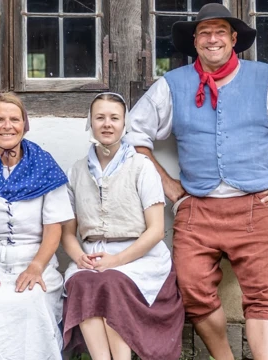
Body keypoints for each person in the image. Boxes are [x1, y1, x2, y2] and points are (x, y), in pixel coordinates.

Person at [124, 4, 268, 360]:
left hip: (260, 208)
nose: (212, 39)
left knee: (264, 296)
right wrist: (170, 187)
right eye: (204, 32)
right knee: (191, 289)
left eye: (220, 31)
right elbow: (132, 135)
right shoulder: (172, 85)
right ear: (195, 41)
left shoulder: (265, 78)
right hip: (198, 210)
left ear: (234, 39)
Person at [61, 93, 185, 360]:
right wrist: (80, 257)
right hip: (93, 254)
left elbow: (155, 231)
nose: (107, 124)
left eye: (114, 118)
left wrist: (115, 260)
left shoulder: (141, 167)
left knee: (110, 282)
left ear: (124, 124)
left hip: (138, 256)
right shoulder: (77, 171)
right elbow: (68, 233)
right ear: (89, 122)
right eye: (100, 118)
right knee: (82, 283)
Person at [0, 92, 74, 360]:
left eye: (14, 119)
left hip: (34, 260)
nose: (7, 126)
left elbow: (54, 227)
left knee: (32, 305)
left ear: (25, 124)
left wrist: (36, 266)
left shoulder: (45, 167)